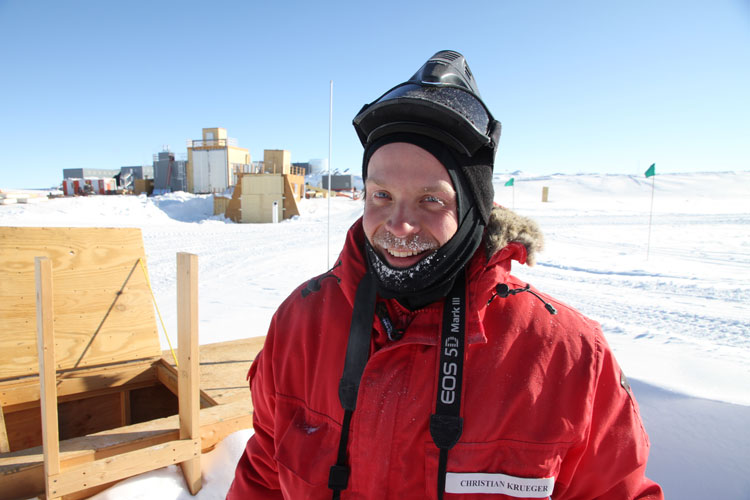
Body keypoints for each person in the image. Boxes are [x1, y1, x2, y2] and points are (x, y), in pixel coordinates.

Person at [227, 50, 663, 499]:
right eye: (381, 195)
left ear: (474, 208)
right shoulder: (300, 325)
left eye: (430, 200)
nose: (398, 226)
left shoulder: (566, 356)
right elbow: (263, 473)